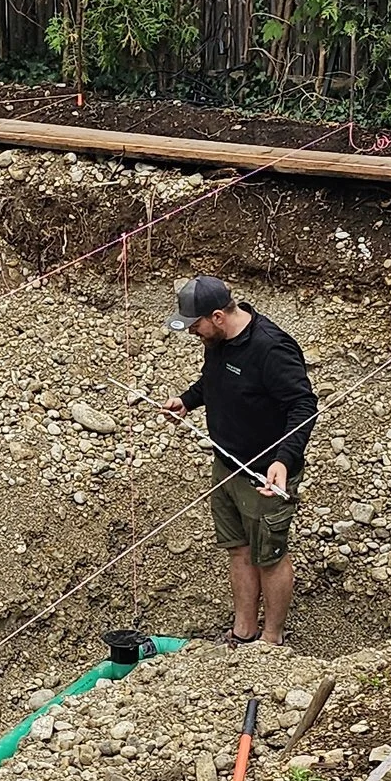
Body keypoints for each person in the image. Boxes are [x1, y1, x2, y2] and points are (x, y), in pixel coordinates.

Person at [163, 274, 316, 646]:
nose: (191, 332)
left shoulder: (270, 348)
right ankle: (243, 631)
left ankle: (271, 641)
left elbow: (303, 406)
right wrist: (187, 400)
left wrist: (283, 460)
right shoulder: (217, 341)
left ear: (217, 316)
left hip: (266, 473)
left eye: (194, 325)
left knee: (270, 555)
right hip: (226, 464)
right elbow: (212, 381)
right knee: (239, 547)